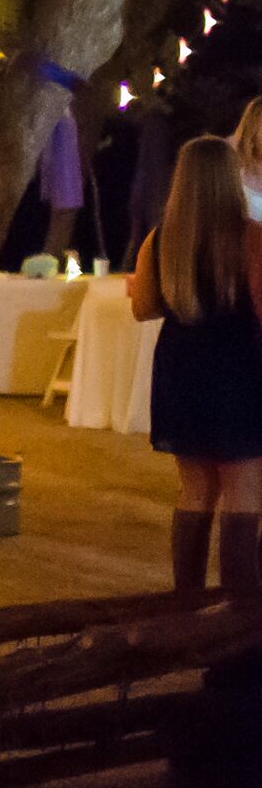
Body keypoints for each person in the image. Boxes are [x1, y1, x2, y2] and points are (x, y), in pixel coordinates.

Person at [126, 136, 262, 602]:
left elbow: (142, 307)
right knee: (243, 496)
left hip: (181, 372)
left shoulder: (162, 238)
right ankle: (237, 625)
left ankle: (183, 611)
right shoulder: (251, 237)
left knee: (194, 492)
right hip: (239, 373)